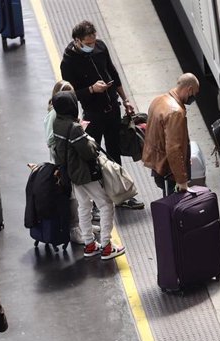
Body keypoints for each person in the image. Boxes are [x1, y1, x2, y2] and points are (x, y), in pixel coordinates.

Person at [60, 20, 144, 210]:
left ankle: (121, 195)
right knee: (94, 155)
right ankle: (98, 199)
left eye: (94, 41)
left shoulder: (100, 48)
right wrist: (91, 89)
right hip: (93, 113)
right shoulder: (68, 62)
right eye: (88, 43)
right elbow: (71, 93)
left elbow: (113, 72)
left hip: (112, 108)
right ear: (77, 41)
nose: (92, 46)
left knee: (115, 152)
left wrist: (125, 100)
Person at [52, 90, 125, 260]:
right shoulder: (74, 127)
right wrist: (88, 139)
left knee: (84, 207)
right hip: (85, 174)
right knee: (106, 205)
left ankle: (89, 244)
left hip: (71, 174)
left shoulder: (57, 123)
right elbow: (89, 153)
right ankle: (107, 246)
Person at [43, 80, 99, 244]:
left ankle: (84, 225)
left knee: (80, 195)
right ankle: (75, 229)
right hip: (65, 160)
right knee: (73, 197)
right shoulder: (56, 114)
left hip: (71, 157)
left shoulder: (65, 110)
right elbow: (50, 139)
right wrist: (70, 134)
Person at [141, 73, 199, 197]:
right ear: (189, 90)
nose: (193, 97)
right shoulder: (175, 112)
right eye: (194, 93)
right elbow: (174, 149)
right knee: (174, 207)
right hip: (169, 170)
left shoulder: (159, 100)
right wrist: (182, 180)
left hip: (157, 165)